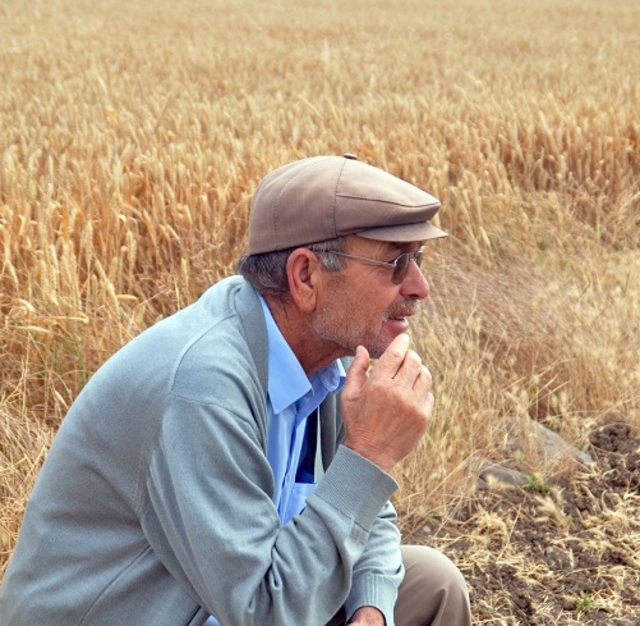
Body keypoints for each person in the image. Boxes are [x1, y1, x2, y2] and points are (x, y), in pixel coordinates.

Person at [0, 154, 472, 625]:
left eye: (418, 259)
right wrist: (368, 454)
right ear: (306, 277)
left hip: (243, 601)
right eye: (396, 263)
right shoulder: (201, 388)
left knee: (432, 585)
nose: (420, 286)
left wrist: (371, 609)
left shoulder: (329, 353)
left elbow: (364, 510)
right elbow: (263, 612)